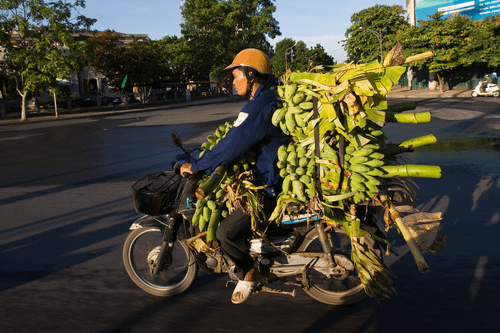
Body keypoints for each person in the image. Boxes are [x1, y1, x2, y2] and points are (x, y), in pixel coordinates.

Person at [180, 48, 289, 304]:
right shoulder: (265, 100)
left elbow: (231, 146)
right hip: (267, 176)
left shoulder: (261, 106)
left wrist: (197, 166)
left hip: (268, 185)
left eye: (236, 74)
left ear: (251, 75)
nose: (233, 80)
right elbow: (234, 139)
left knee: (225, 233)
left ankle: (249, 273)